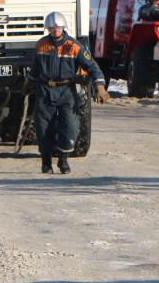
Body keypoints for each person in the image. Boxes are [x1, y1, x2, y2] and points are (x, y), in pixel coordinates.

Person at [31, 11, 110, 174]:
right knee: (44, 128)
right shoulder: (41, 45)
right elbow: (35, 69)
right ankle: (46, 162)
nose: (55, 30)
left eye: (58, 27)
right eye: (52, 28)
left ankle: (63, 160)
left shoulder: (75, 46)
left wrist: (100, 86)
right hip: (45, 91)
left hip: (66, 91)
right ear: (47, 29)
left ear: (63, 27)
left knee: (70, 127)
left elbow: (93, 67)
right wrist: (28, 83)